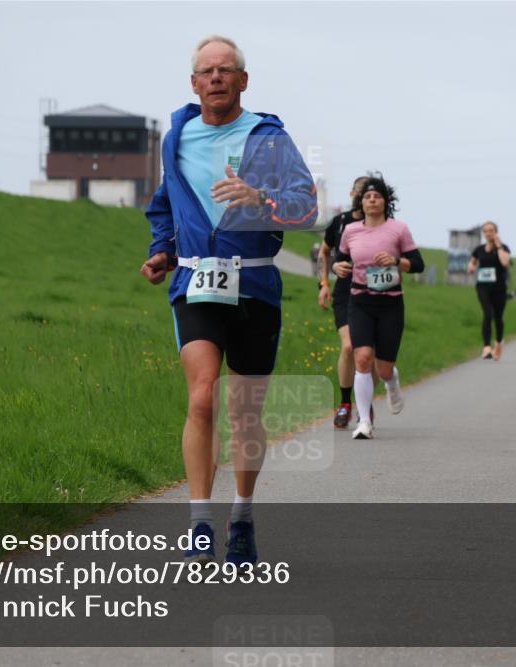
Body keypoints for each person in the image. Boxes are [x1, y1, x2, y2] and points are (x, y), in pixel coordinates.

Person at [141, 35, 317, 565]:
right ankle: (199, 522)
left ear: (243, 80)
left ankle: (241, 516)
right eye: (207, 71)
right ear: (194, 83)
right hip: (196, 283)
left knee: (244, 411)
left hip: (256, 284)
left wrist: (260, 199)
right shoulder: (176, 138)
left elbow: (305, 209)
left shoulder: (271, 139)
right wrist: (162, 252)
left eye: (227, 70)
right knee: (202, 396)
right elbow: (163, 207)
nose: (216, 77)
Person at [333, 175, 425, 440]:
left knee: (382, 368)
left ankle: (392, 383)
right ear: (361, 202)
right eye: (367, 196)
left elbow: (418, 263)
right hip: (360, 300)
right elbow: (340, 260)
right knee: (361, 358)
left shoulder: (398, 229)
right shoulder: (350, 231)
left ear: (385, 201)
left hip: (390, 304)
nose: (372, 199)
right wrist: (338, 268)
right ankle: (364, 422)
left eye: (377, 196)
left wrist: (397, 261)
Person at [317, 176, 380, 428]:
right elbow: (325, 252)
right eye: (360, 191)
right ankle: (345, 403)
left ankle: (366, 402)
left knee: (368, 354)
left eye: (370, 192)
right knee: (348, 347)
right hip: (345, 292)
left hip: (373, 293)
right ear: (353, 193)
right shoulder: (340, 222)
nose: (364, 195)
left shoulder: (382, 224)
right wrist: (324, 282)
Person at [467, 221, 511, 360]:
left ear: (496, 232)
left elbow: (505, 262)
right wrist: (471, 266)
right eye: (485, 231)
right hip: (483, 286)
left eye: (491, 230)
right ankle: (486, 347)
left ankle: (498, 344)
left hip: (499, 288)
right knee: (487, 314)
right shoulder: (479, 249)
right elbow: (473, 261)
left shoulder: (503, 248)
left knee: (498, 318)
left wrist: (498, 247)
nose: (488, 233)